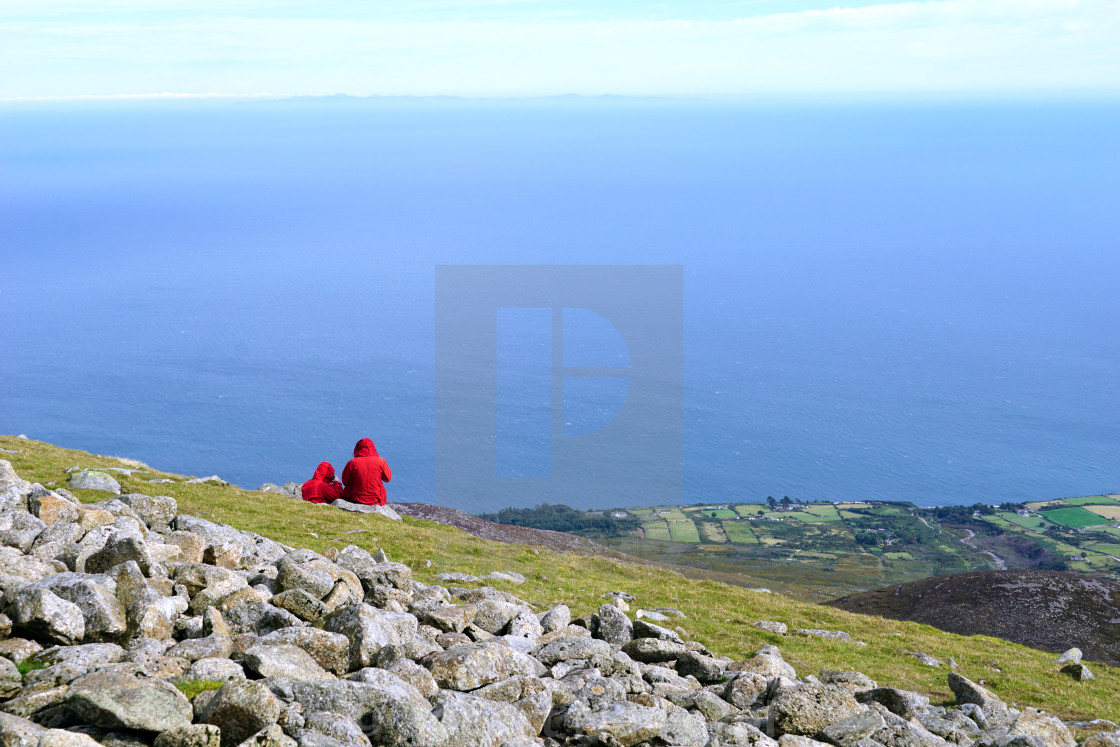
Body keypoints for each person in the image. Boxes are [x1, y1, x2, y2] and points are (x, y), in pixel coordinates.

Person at [341, 437, 392, 505]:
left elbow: (345, 482)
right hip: (377, 500)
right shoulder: (381, 461)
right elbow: (387, 479)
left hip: (356, 499)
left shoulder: (352, 462)